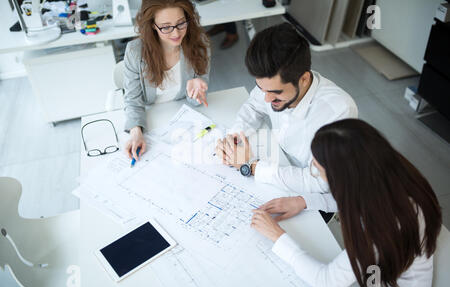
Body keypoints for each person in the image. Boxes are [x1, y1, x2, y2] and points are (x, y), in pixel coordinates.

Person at [251, 119, 442, 287]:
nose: (315, 173)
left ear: (343, 176)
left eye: (318, 169)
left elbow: (326, 283)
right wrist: (304, 201)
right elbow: (356, 199)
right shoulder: (386, 173)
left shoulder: (384, 224)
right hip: (375, 275)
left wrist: (278, 237)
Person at [215, 23, 358, 213]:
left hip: (310, 197)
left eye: (275, 93)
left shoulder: (338, 112)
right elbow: (253, 106)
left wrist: (252, 166)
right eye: (261, 88)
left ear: (304, 79)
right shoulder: (270, 85)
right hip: (277, 166)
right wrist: (234, 139)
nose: (266, 98)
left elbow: (319, 182)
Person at [123, 0, 210, 161]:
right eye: (166, 27)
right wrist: (136, 133)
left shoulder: (200, 45)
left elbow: (197, 103)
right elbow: (133, 101)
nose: (176, 34)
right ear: (152, 26)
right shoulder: (135, 52)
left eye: (181, 23)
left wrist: (196, 93)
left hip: (182, 121)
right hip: (151, 119)